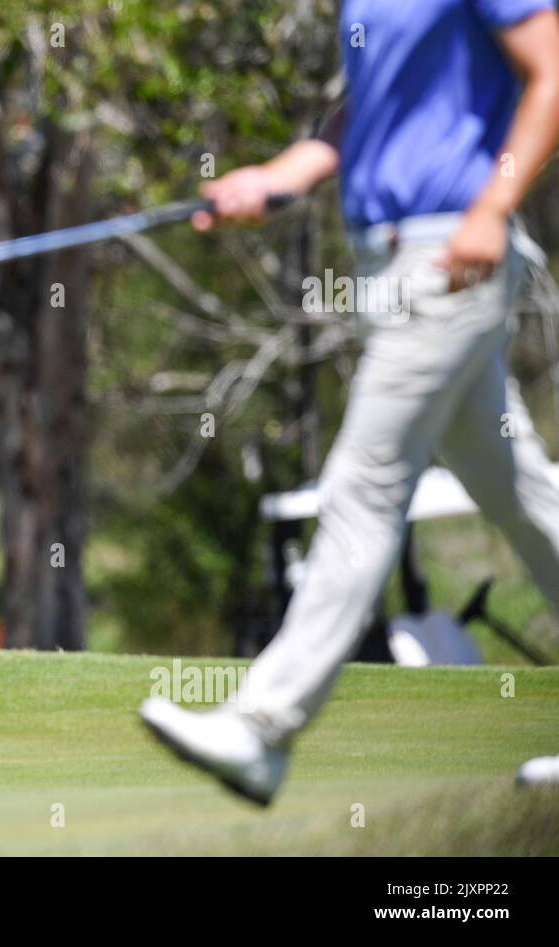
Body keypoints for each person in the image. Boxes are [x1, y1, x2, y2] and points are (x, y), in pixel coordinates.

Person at [141, 2, 559, 801]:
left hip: (450, 256)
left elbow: (552, 74)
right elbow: (371, 110)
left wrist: (494, 208)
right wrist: (276, 175)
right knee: (522, 494)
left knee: (364, 485)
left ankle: (263, 726)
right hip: (389, 264)